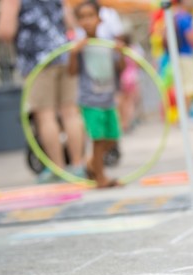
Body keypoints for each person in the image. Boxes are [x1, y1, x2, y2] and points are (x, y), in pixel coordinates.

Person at [0, 0, 85, 183]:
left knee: (45, 115)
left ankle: (58, 168)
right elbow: (70, 23)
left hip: (38, 61)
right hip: (65, 54)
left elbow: (5, 31)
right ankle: (78, 164)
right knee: (70, 112)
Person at [69, 0, 123, 188]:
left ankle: (92, 164)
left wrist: (121, 53)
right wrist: (74, 54)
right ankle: (100, 177)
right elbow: (72, 72)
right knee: (98, 139)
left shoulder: (107, 44)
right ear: (77, 22)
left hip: (108, 98)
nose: (87, 21)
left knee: (112, 138)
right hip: (90, 100)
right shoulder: (80, 46)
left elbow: (119, 68)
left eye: (90, 16)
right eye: (82, 18)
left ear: (99, 19)